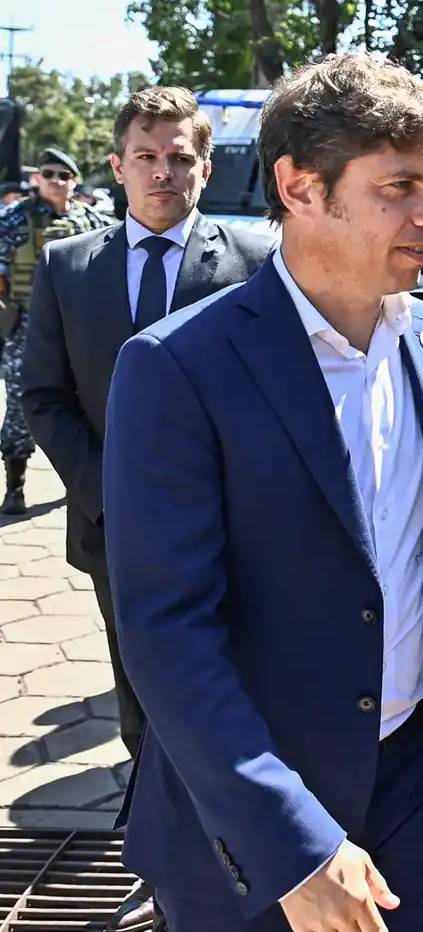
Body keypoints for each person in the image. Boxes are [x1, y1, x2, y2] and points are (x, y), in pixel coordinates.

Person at [102, 53, 423, 932]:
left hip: (411, 789)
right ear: (300, 186)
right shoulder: (177, 368)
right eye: (400, 187)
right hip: (245, 821)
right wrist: (292, 842)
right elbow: (168, 640)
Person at [18, 87, 270, 924]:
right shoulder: (67, 267)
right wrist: (113, 497)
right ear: (119, 166)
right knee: (145, 701)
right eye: (148, 157)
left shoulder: (253, 257)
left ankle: (246, 850)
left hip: (234, 533)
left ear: (206, 166)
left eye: (181, 157)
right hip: (115, 535)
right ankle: (164, 864)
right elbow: (46, 398)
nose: (164, 172)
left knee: (234, 693)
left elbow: (275, 394)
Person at [0, 147, 111, 513]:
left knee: (89, 403)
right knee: (22, 404)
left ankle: (83, 480)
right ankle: (15, 487)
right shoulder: (13, 220)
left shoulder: (91, 220)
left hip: (80, 327)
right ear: (37, 179)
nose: (56, 181)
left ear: (74, 181)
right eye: (49, 174)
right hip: (27, 329)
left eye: (64, 176)